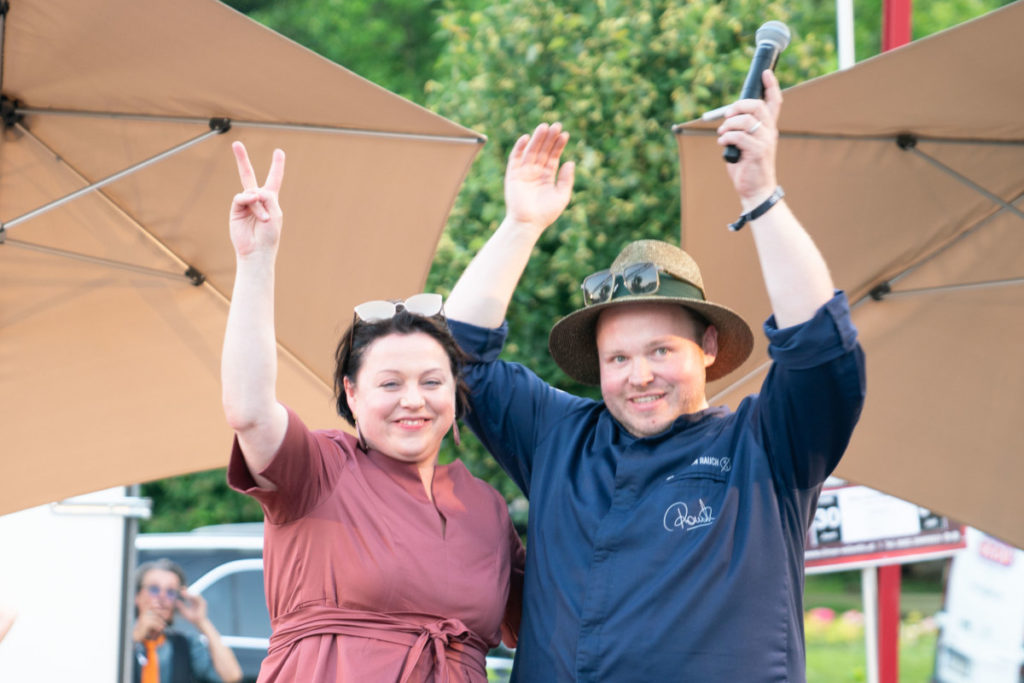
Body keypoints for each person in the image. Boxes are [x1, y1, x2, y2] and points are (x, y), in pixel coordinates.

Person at [443, 70, 866, 681]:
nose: (639, 376)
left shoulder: (767, 445)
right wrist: (521, 225)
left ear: (709, 347)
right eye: (618, 358)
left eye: (661, 350)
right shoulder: (560, 437)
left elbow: (821, 348)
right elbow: (458, 355)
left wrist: (760, 195)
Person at [220, 141, 524, 682]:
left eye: (432, 381)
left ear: (455, 395)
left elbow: (565, 619)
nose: (413, 399)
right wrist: (256, 259)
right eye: (390, 383)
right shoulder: (319, 470)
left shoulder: (488, 509)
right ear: (352, 396)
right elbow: (248, 412)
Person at [132, 558, 243, 683]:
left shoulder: (186, 646)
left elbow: (232, 677)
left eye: (170, 592)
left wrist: (202, 622)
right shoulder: (117, 641)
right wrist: (133, 638)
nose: (162, 597)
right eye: (154, 589)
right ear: (137, 596)